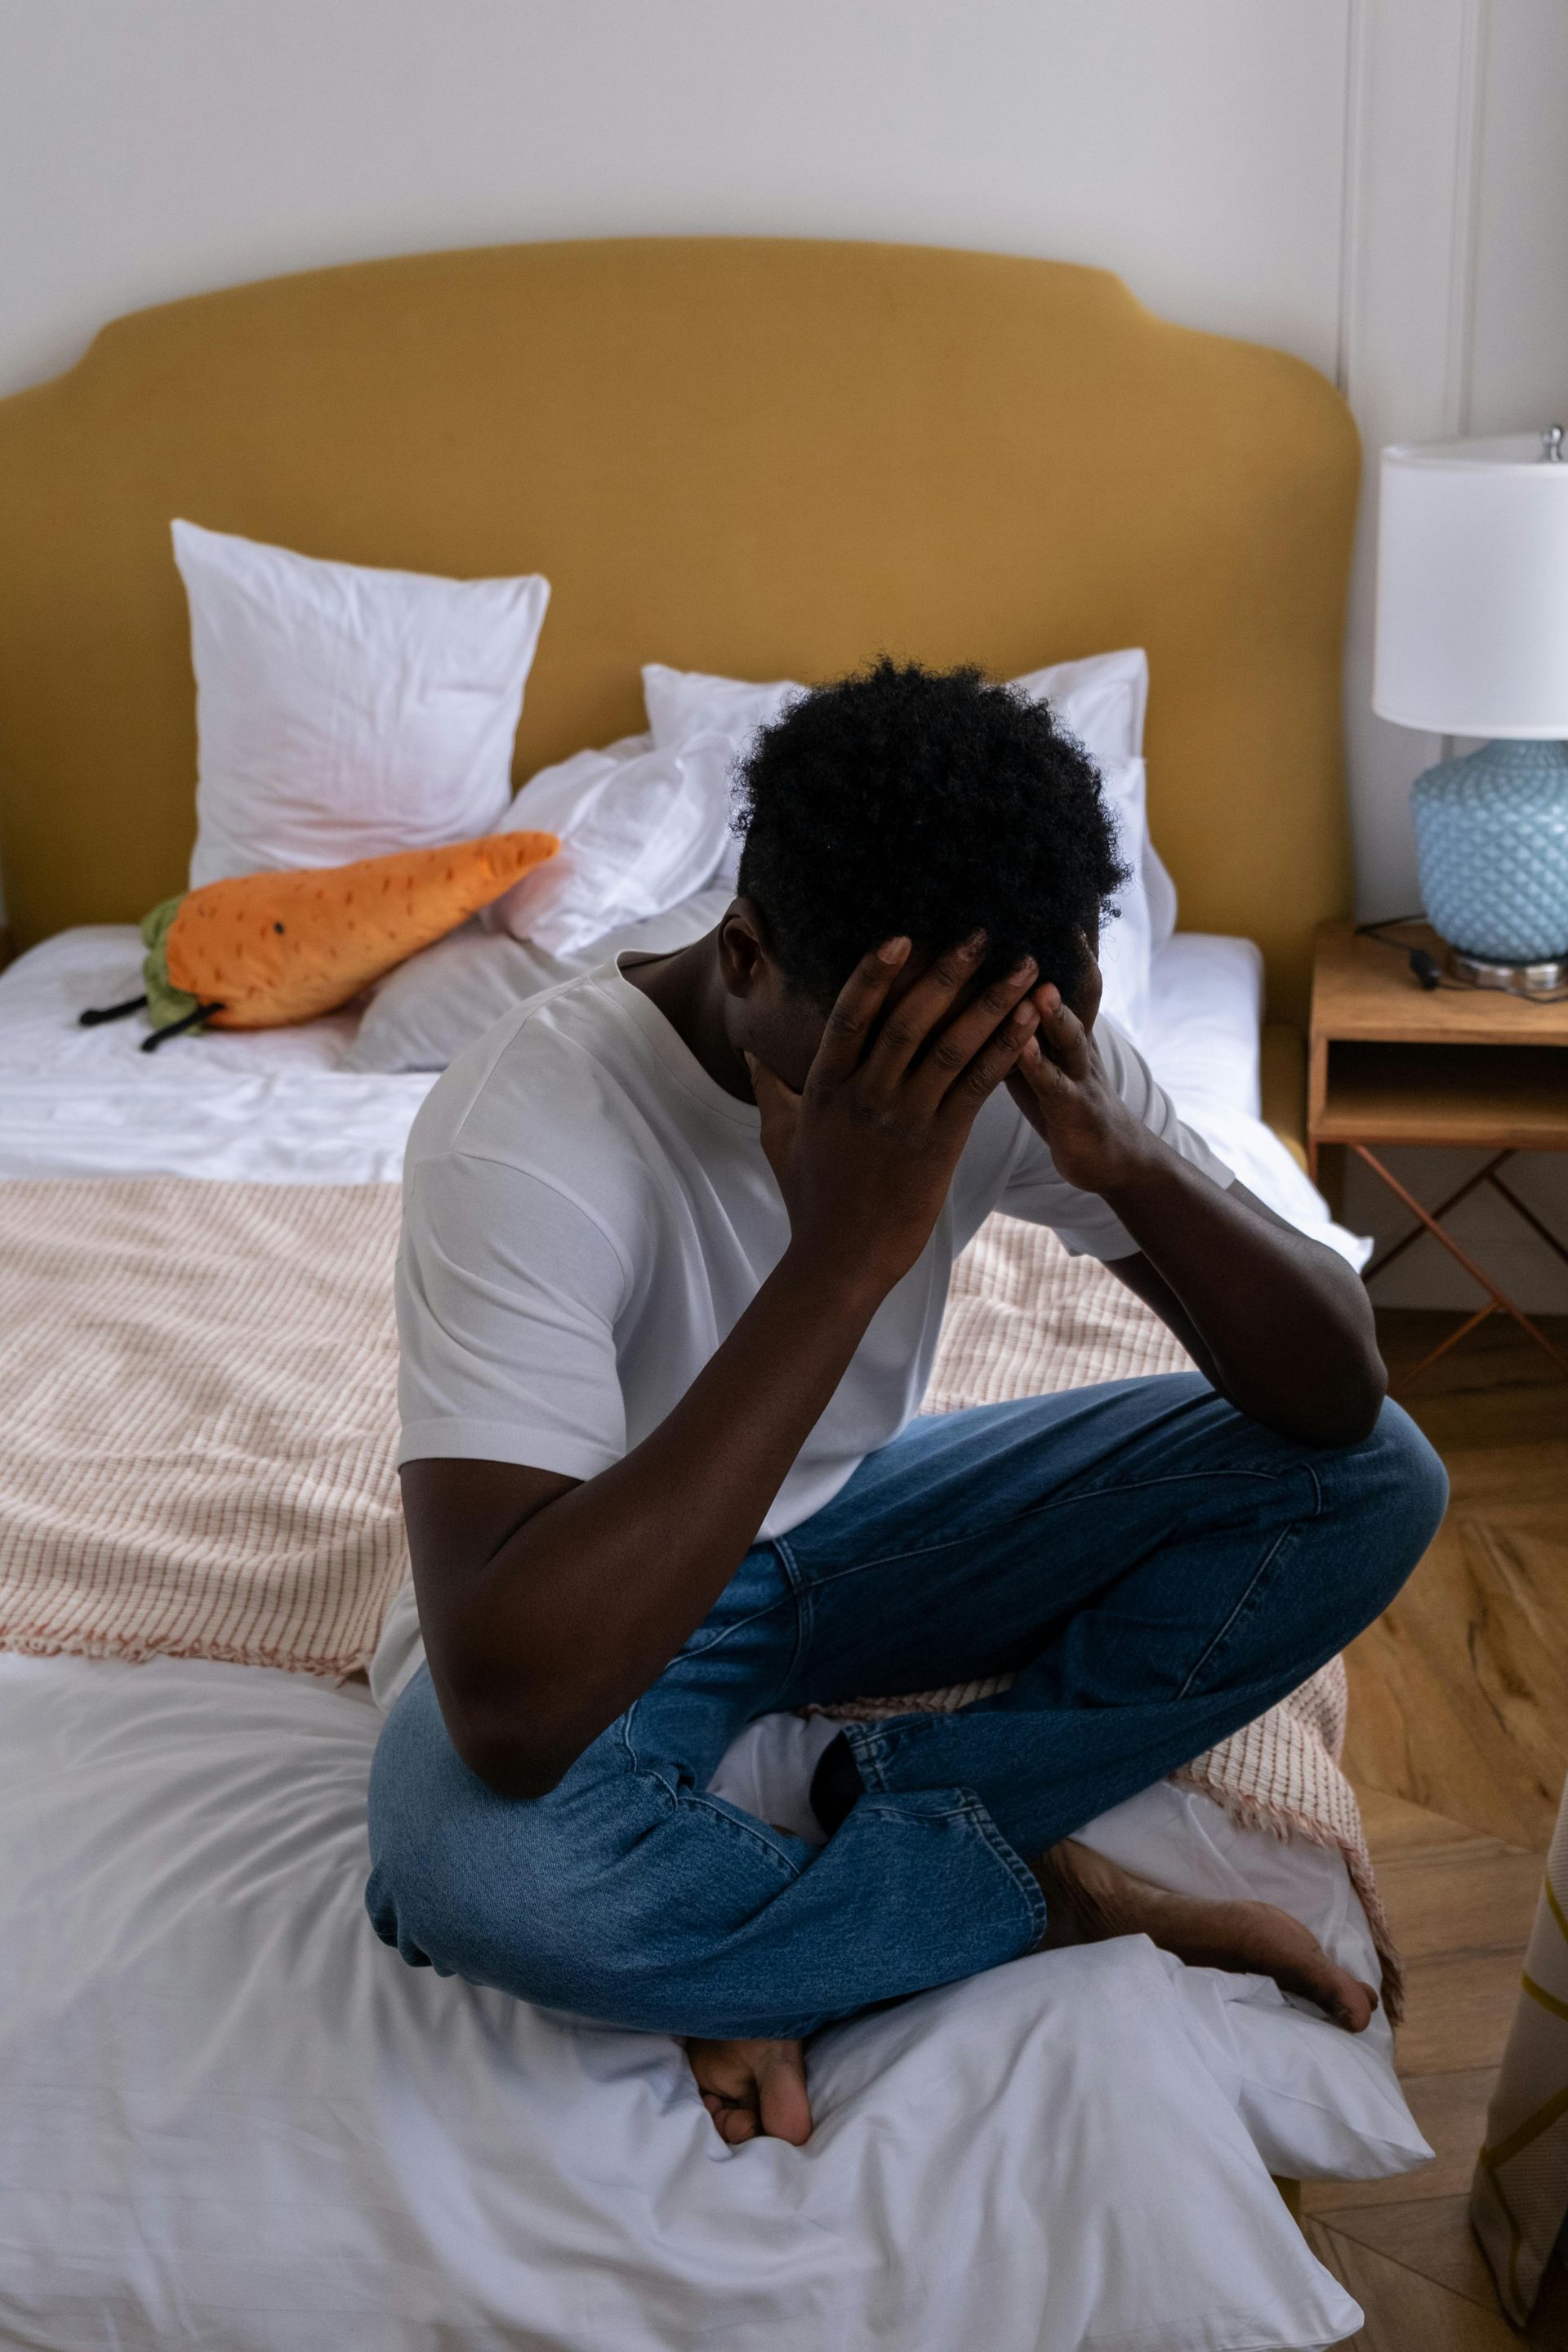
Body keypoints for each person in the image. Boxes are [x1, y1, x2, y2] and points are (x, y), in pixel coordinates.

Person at [366, 661, 1447, 2147]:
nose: (945, 1115)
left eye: (982, 1067)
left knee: (1380, 1481)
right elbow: (508, 1709)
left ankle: (885, 1810)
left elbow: (1335, 1408)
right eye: (890, 1074)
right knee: (479, 1872)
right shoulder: (529, 1127)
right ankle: (1041, 1897)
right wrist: (845, 1252)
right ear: (744, 955)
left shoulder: (1004, 1016)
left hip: (856, 1534)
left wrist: (1132, 1162)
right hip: (600, 1589)